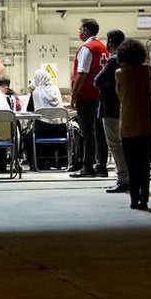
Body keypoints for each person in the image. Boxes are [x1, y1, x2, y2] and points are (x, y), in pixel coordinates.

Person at [114, 39, 151, 211]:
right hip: (147, 124)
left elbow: (119, 95)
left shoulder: (119, 73)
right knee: (145, 165)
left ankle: (134, 200)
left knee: (132, 166)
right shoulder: (146, 72)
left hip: (128, 125)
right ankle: (144, 200)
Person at [69, 18, 109, 179]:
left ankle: (87, 166)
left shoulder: (87, 48)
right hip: (100, 95)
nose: (79, 32)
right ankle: (101, 166)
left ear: (86, 30)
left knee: (87, 132)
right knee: (100, 132)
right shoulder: (103, 48)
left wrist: (73, 95)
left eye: (81, 29)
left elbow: (82, 74)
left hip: (87, 95)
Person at [94, 30, 129, 194]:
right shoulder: (129, 59)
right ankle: (129, 177)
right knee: (126, 144)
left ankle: (123, 179)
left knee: (115, 144)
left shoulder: (114, 59)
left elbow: (98, 80)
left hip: (111, 107)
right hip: (126, 106)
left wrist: (108, 86)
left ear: (111, 41)